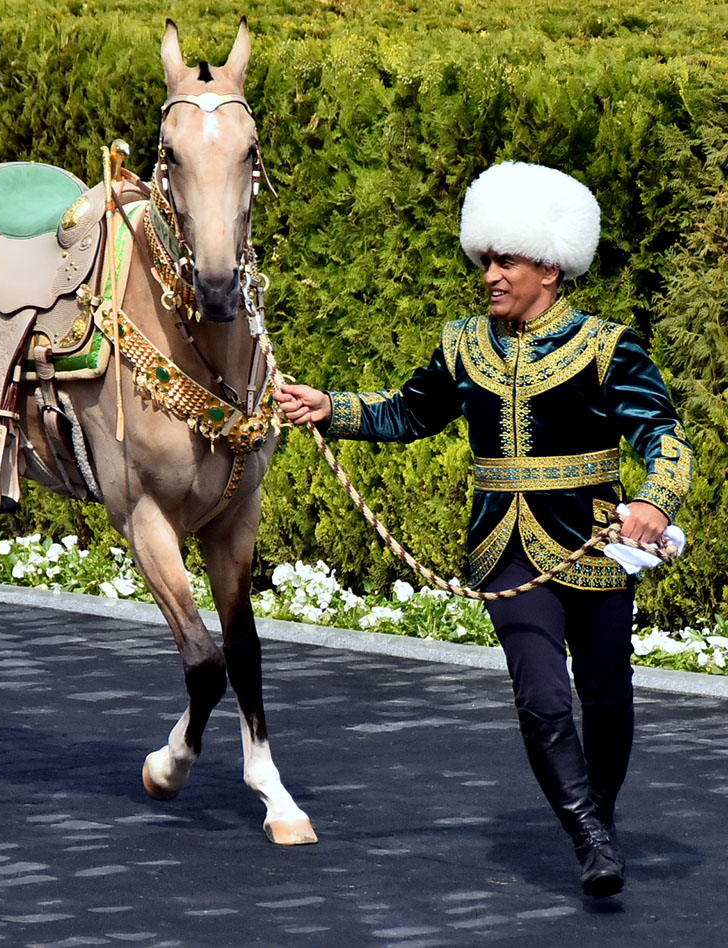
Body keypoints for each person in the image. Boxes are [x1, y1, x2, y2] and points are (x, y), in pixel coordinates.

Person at [276, 161, 692, 898]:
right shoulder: (462, 343)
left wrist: (656, 502)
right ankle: (589, 835)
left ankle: (603, 811)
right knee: (540, 696)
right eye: (487, 260)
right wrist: (328, 407)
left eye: (508, 261)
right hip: (504, 548)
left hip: (596, 546)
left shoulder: (606, 346)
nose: (492, 274)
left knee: (607, 695)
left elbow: (664, 435)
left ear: (552, 269)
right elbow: (410, 412)